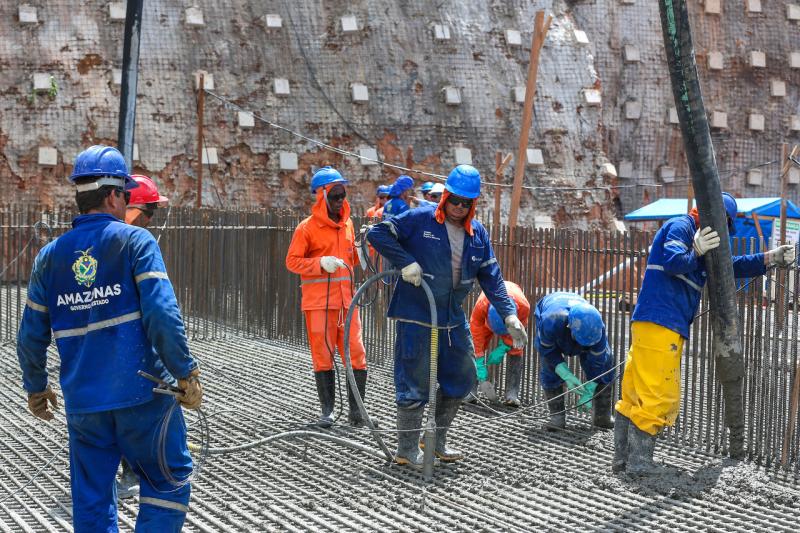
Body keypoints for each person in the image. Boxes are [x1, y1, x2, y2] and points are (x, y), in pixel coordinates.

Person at [17, 145, 202, 532]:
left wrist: (37, 387)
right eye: (127, 195)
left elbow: (30, 336)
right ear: (114, 194)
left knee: (92, 500)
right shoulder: (135, 243)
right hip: (143, 395)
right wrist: (185, 372)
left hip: (84, 404)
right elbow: (162, 315)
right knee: (167, 482)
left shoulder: (49, 258)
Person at [614, 192, 796, 475]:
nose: (724, 233)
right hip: (661, 323)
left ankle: (623, 461)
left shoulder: (699, 243)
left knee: (636, 392)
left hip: (655, 324)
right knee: (659, 395)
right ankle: (639, 464)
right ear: (715, 217)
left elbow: (728, 267)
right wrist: (695, 250)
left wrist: (769, 258)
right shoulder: (681, 227)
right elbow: (674, 261)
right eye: (725, 225)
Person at [368, 164, 527, 467]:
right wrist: (405, 262)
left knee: (464, 375)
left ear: (473, 204)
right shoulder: (420, 219)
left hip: (452, 318)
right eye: (454, 200)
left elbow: (491, 277)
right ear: (446, 198)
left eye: (465, 203)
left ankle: (436, 440)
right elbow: (378, 233)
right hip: (417, 314)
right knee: (414, 381)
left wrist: (508, 314)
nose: (458, 207)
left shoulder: (477, 235)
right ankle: (406, 449)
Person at [285, 166, 368, 428]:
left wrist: (363, 248)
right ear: (321, 196)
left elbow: (352, 261)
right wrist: (320, 263)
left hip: (347, 302)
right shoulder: (306, 229)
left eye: (343, 195)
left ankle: (357, 413)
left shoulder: (348, 225)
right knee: (323, 355)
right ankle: (327, 412)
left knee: (356, 353)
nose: (340, 200)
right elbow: (292, 262)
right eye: (335, 196)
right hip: (319, 303)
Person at [115, 173, 171, 499]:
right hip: (125, 346)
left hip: (125, 346)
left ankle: (124, 474)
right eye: (149, 211)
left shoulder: (132, 243)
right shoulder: (128, 245)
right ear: (132, 209)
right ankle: (128, 474)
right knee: (129, 410)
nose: (152, 220)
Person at [534, 292, 615, 431]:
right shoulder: (551, 321)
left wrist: (591, 387)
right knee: (549, 367)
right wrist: (564, 372)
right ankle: (557, 418)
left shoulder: (597, 328)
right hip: (554, 317)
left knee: (607, 362)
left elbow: (598, 361)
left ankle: (602, 417)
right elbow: (546, 349)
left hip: (580, 326)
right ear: (569, 328)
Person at [469, 280, 530, 407]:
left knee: (516, 350)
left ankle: (512, 395)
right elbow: (476, 335)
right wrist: (479, 361)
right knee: (473, 350)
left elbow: (518, 337)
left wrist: (504, 346)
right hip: (486, 320)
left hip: (512, 323)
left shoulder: (524, 306)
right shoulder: (481, 305)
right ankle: (471, 391)